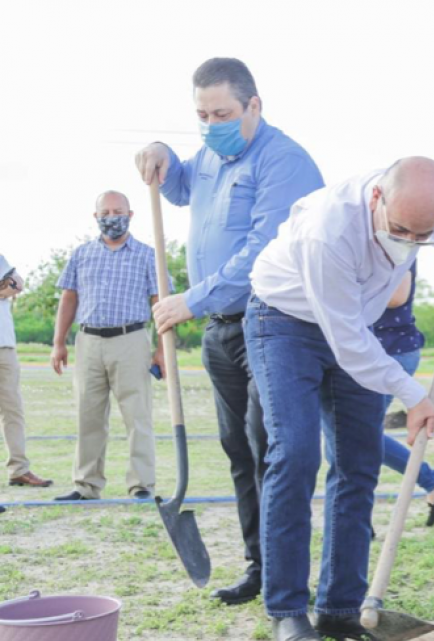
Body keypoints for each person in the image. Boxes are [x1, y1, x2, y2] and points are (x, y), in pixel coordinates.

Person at [245, 157, 434, 641]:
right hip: (285, 324)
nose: (409, 242)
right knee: (295, 454)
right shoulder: (327, 231)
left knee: (359, 460)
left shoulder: (432, 204)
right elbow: (348, 342)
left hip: (356, 325)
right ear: (377, 198)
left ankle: (340, 608)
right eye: (401, 230)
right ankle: (287, 610)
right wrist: (413, 396)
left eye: (422, 236)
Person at [134, 57, 323, 606]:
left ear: (253, 106)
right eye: (202, 115)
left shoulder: (284, 162)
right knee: (238, 448)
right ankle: (258, 567)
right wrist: (161, 153)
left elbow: (262, 252)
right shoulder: (211, 156)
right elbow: (177, 186)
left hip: (274, 327)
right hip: (221, 331)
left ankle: (287, 580)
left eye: (221, 114)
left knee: (270, 448)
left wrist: (190, 300)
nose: (211, 124)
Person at [51, 191, 165, 501]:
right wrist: (58, 342)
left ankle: (141, 485)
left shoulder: (147, 255)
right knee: (87, 416)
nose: (111, 217)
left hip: (131, 340)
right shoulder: (81, 254)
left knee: (137, 415)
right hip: (88, 341)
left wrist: (161, 349)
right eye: (105, 212)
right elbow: (69, 298)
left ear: (130, 215)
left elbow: (161, 302)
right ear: (95, 216)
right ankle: (86, 485)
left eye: (118, 211)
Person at [373, 264, 434, 526]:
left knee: (355, 435)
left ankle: (353, 521)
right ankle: (351, 520)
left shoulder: (396, 242)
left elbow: (397, 295)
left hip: (389, 349)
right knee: (347, 437)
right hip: (359, 350)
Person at [0, 255, 52, 489]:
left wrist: (6, 287)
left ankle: (18, 470)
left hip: (4, 346)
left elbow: (17, 284)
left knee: (13, 410)